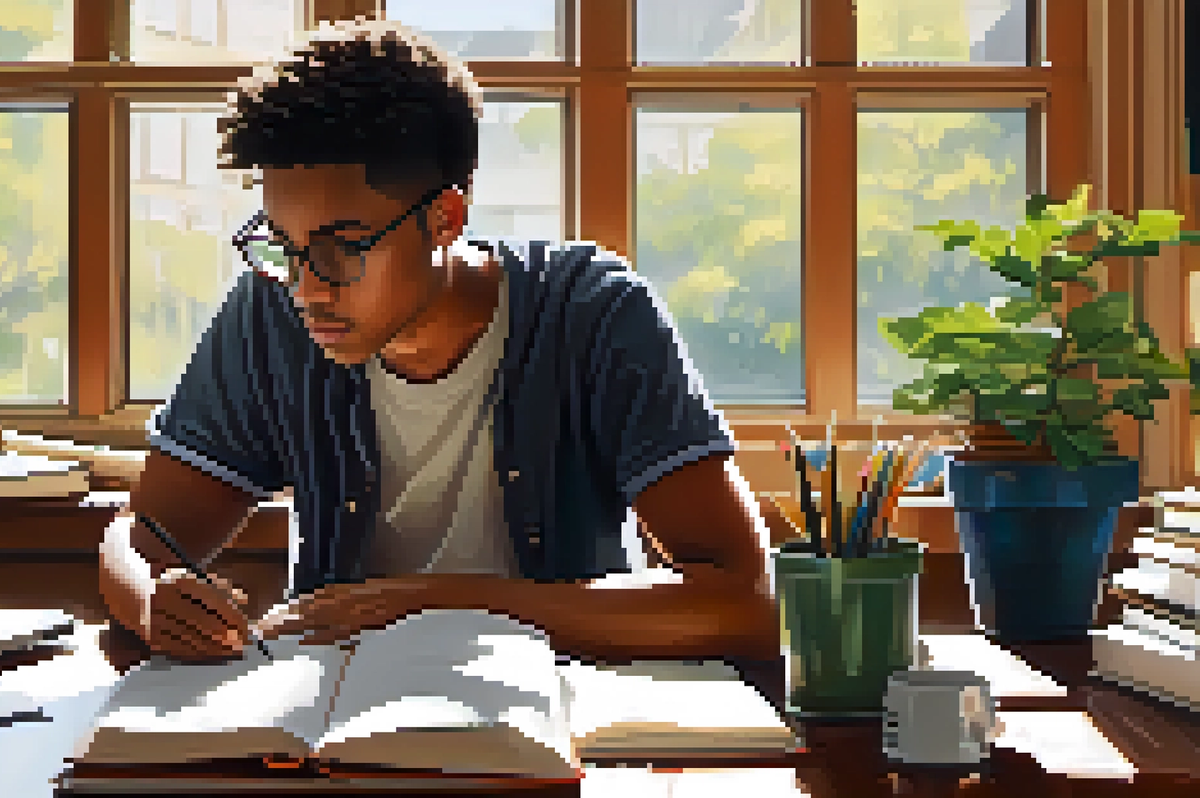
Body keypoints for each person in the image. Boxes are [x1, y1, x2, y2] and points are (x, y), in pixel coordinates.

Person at [99, 15, 778, 666]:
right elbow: (139, 537)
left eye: (342, 247)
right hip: (337, 717)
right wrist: (152, 600)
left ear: (445, 218)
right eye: (283, 247)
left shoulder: (592, 314)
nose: (306, 288)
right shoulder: (270, 312)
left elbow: (745, 603)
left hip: (564, 716)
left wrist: (434, 603)